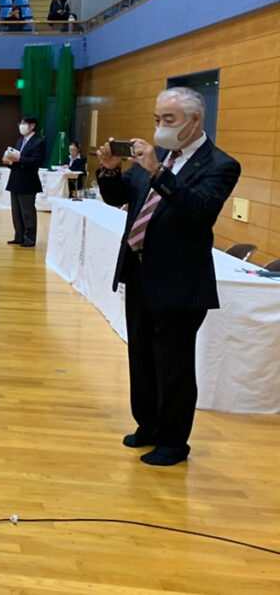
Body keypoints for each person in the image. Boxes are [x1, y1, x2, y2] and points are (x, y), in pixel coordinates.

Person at [95, 87, 240, 466]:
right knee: (140, 355)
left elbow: (199, 210)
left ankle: (174, 441)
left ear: (195, 121)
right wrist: (110, 170)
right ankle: (148, 425)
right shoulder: (157, 158)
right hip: (140, 272)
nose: (160, 127)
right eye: (157, 120)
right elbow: (119, 197)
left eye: (169, 120)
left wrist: (157, 171)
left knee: (172, 363)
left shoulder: (220, 164)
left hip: (179, 280)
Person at [4, 115, 46, 248]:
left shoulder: (38, 142)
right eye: (20, 123)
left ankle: (30, 238)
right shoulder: (20, 141)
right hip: (15, 179)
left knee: (27, 211)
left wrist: (19, 159)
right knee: (16, 211)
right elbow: (16, 159)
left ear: (32, 126)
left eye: (24, 123)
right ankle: (19, 236)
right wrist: (9, 161)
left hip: (28, 181)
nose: (21, 126)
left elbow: (36, 161)